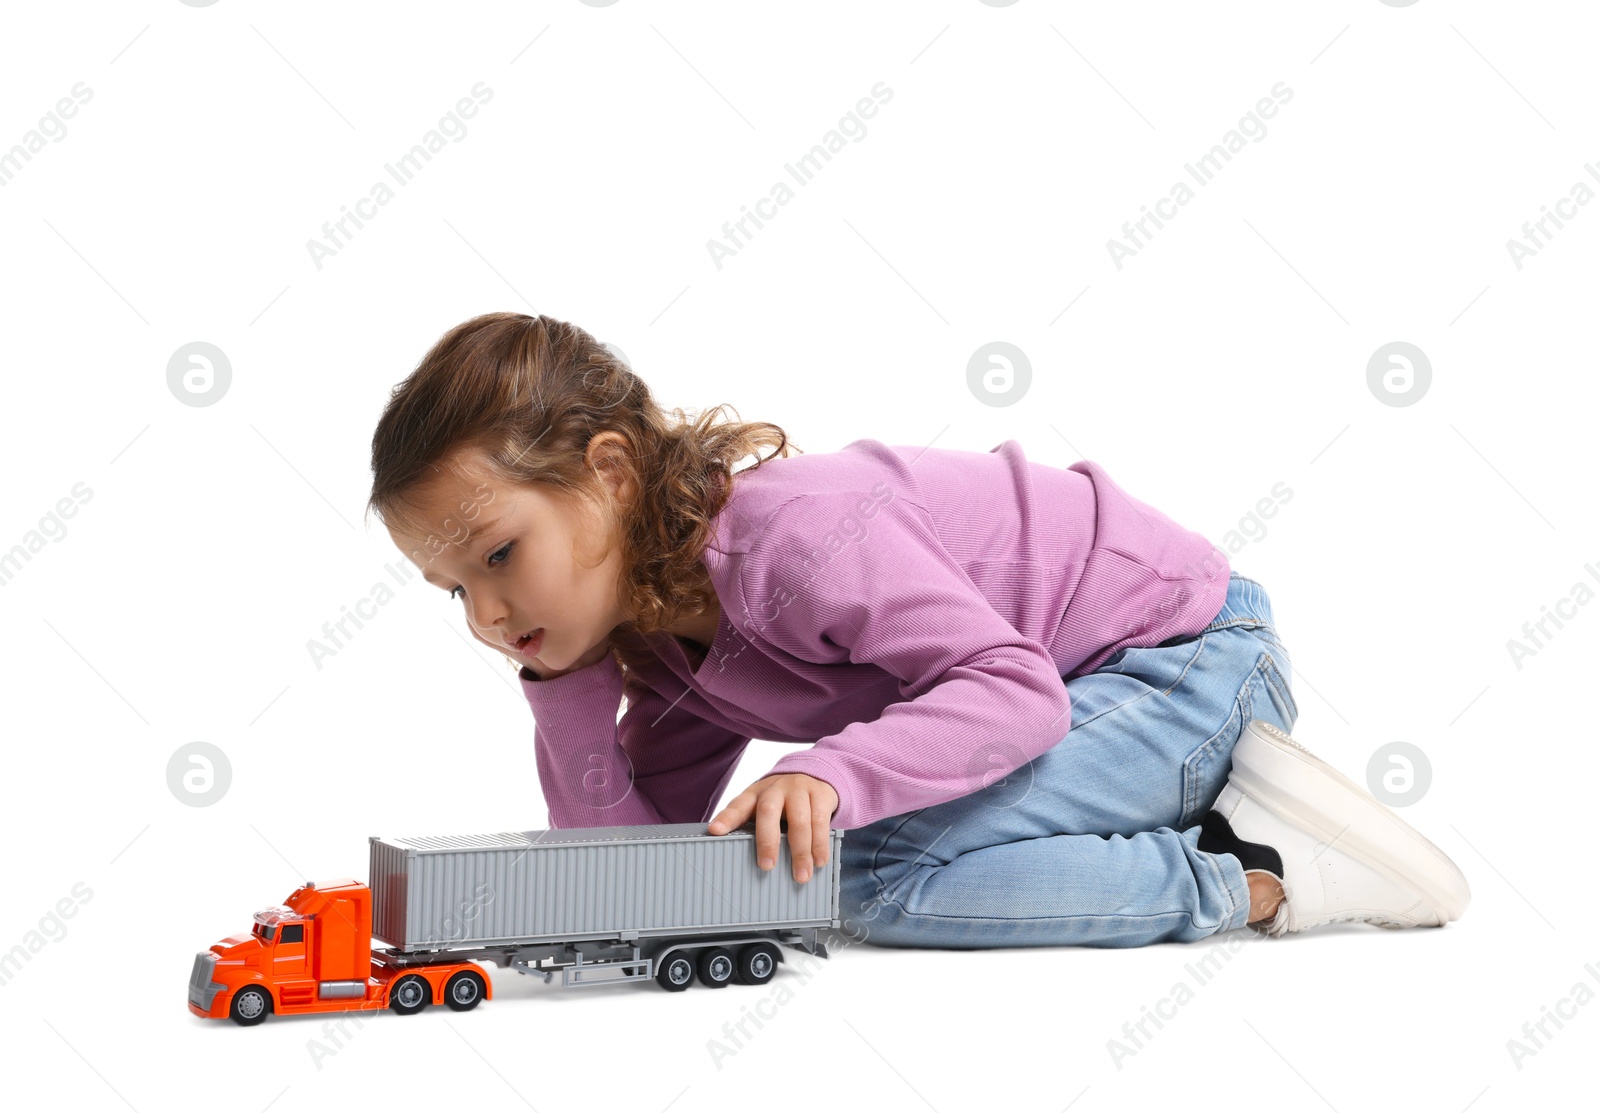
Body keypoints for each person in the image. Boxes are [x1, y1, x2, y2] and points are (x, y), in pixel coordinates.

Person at [366, 311, 1470, 949]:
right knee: (833, 875)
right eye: (453, 591)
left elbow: (1016, 690)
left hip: (1180, 660)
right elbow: (631, 875)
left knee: (868, 873)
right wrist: (562, 694)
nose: (487, 616)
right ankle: (1204, 821)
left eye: (499, 556)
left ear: (608, 472)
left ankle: (1257, 869)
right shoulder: (660, 650)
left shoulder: (793, 539)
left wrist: (833, 776)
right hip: (1079, 702)